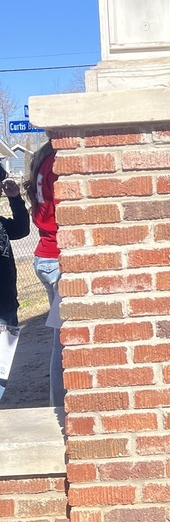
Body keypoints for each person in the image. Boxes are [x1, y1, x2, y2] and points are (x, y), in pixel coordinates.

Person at [24, 141, 63, 406]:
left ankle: (57, 401)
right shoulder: (56, 164)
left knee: (58, 337)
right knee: (63, 340)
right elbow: (65, 212)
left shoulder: (42, 161)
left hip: (45, 255)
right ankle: (60, 404)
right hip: (56, 259)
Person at [0, 164, 30, 399]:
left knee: (3, 362)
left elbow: (21, 229)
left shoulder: (0, 222)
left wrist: (15, 199)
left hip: (7, 302)